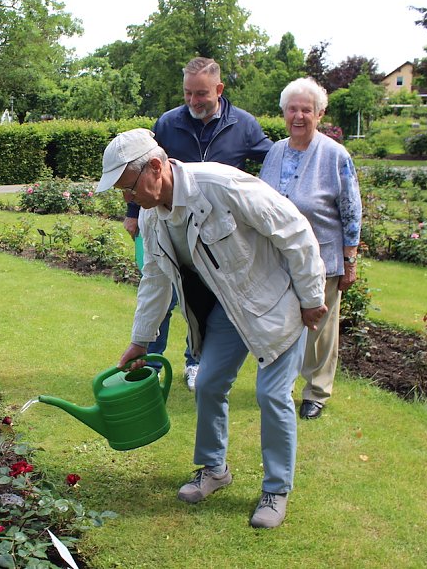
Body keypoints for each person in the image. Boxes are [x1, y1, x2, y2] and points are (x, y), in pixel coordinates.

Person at [96, 128, 326, 529]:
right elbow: (155, 278)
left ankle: (276, 489)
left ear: (156, 167)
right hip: (227, 311)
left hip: (276, 303)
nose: (127, 199)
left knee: (271, 394)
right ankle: (214, 469)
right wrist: (140, 339)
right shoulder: (153, 217)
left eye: (128, 188)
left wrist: (311, 298)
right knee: (207, 384)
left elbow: (294, 231)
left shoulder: (221, 185)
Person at [124, 57, 274, 391]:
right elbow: (144, 172)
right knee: (160, 287)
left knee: (204, 301)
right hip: (171, 223)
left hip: (219, 235)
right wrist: (134, 214)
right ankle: (149, 363)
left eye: (201, 94)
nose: (193, 101)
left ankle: (196, 364)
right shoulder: (168, 123)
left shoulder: (243, 124)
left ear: (219, 89)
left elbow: (273, 158)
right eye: (188, 93)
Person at [259, 77, 362, 420]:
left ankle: (316, 392)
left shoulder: (335, 156)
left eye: (307, 109)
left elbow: (350, 210)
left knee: (319, 328)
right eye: (292, 109)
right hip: (279, 258)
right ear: (283, 113)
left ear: (319, 114)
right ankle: (281, 385)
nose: (299, 116)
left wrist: (350, 260)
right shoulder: (275, 152)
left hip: (323, 258)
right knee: (284, 323)